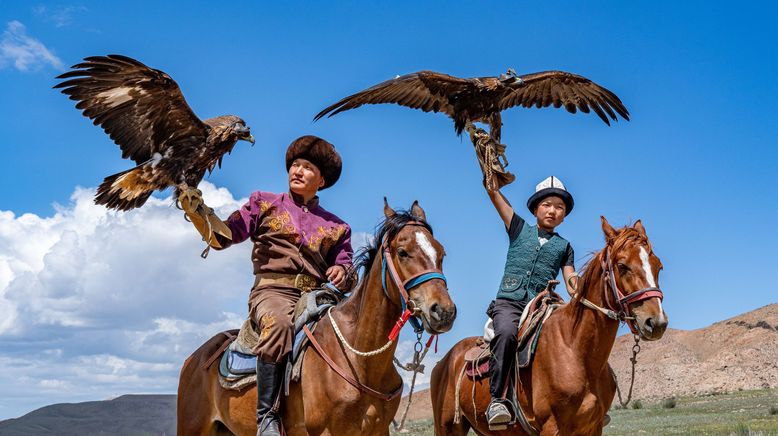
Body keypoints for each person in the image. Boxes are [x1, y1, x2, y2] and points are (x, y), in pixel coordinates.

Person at [179, 135, 353, 436]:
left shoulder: (338, 227)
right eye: (294, 165)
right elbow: (224, 235)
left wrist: (341, 270)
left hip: (319, 298)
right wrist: (198, 213)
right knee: (281, 325)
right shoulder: (264, 203)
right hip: (273, 292)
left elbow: (346, 265)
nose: (297, 171)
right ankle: (267, 419)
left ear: (321, 180)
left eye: (307, 167)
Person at [484, 175, 577, 428]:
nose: (552, 211)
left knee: (572, 341)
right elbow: (494, 195)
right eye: (547, 204)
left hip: (544, 305)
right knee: (505, 334)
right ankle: (498, 401)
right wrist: (490, 176)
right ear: (535, 209)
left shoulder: (565, 246)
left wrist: (580, 290)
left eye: (559, 207)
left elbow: (570, 281)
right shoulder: (518, 227)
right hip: (510, 302)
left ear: (564, 215)